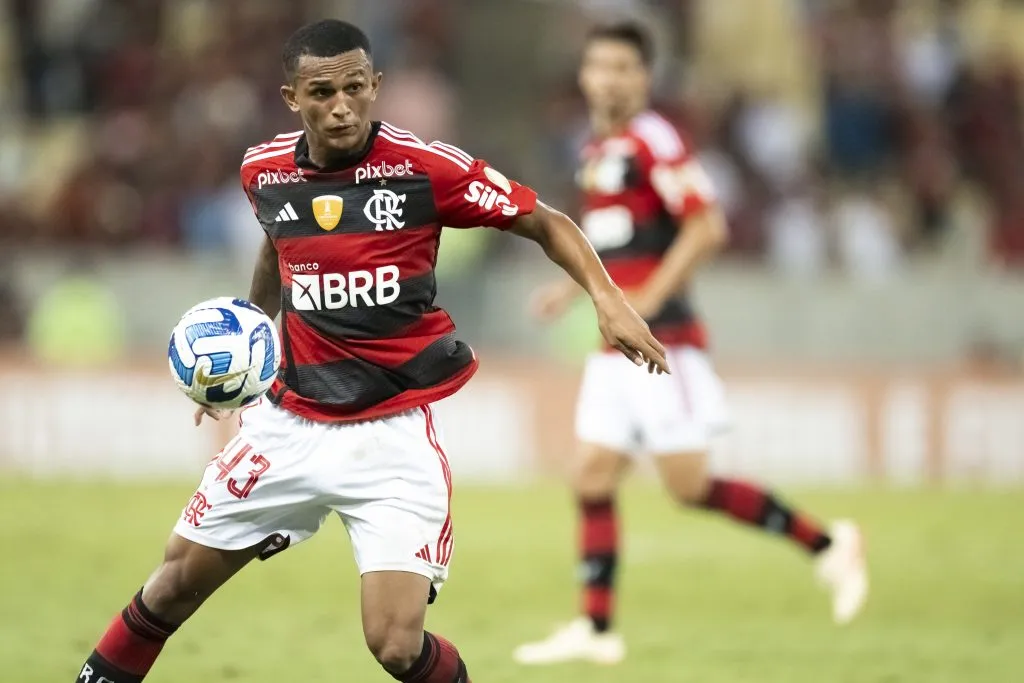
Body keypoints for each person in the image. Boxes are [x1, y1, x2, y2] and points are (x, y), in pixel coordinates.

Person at [72, 19, 668, 683]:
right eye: (321, 91)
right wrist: (244, 356)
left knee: (393, 643)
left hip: (390, 438)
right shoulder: (263, 171)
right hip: (286, 424)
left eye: (355, 87)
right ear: (292, 97)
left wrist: (608, 299)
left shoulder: (423, 169)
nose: (341, 105)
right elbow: (279, 245)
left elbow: (543, 219)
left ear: (375, 85)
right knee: (170, 585)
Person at [513, 22, 868, 666]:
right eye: (600, 67)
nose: (610, 79)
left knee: (688, 485)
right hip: (615, 342)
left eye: (624, 67)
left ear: (644, 78)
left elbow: (707, 225)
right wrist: (569, 293)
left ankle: (830, 542)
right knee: (591, 474)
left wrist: (647, 298)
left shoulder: (654, 140)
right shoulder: (598, 149)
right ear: (585, 77)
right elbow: (612, 239)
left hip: (661, 338)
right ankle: (596, 631)